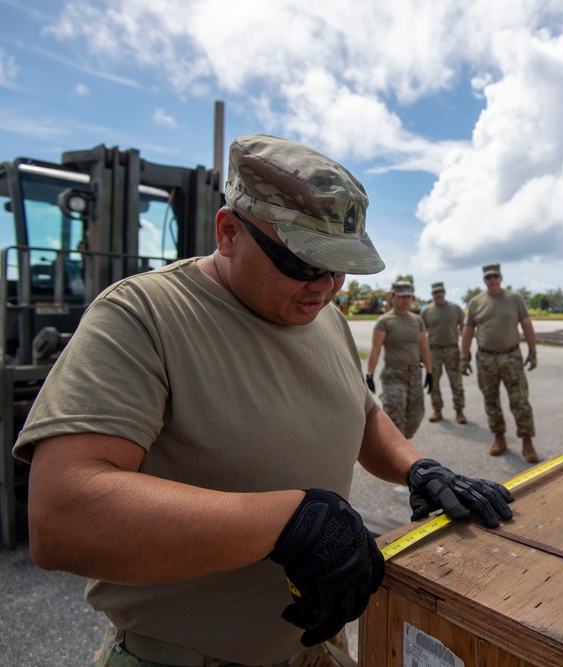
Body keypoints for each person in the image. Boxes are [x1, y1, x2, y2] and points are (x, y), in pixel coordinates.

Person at [13, 134, 514, 667]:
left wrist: (419, 468)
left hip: (315, 647)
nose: (324, 287)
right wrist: (287, 522)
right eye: (302, 262)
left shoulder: (324, 316)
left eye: (339, 268)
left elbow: (360, 411)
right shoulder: (143, 316)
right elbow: (62, 516)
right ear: (229, 232)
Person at [460, 263, 539, 463]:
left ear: (501, 278)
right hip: (486, 359)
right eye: (488, 277)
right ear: (484, 280)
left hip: (511, 357)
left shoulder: (514, 298)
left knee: (520, 401)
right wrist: (464, 356)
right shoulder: (476, 302)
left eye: (495, 276)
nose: (492, 280)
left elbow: (526, 324)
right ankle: (499, 438)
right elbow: (468, 331)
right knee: (491, 401)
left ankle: (527, 442)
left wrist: (532, 350)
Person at [367, 281, 433, 439]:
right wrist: (370, 374)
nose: (405, 300)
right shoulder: (385, 321)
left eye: (408, 296)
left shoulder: (417, 320)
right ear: (392, 297)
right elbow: (375, 350)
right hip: (394, 375)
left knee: (416, 416)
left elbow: (424, 348)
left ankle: (402, 445)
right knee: (395, 419)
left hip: (415, 374)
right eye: (401, 296)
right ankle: (395, 455)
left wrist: (430, 372)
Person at [420, 281, 467, 424]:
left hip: (452, 349)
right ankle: (437, 410)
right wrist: (422, 353)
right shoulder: (426, 311)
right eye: (435, 292)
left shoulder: (455, 308)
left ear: (445, 292)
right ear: (432, 294)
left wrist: (465, 349)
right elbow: (421, 333)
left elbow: (464, 328)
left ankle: (459, 411)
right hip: (433, 351)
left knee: (456, 382)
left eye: (440, 292)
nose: (438, 295)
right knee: (433, 383)